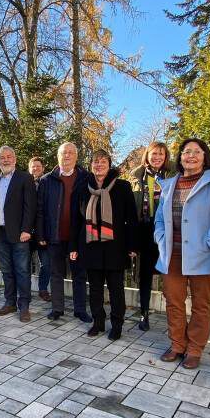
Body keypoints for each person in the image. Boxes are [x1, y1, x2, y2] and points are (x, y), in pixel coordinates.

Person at [154, 138, 210, 369]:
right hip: (173, 253)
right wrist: (160, 240)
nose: (190, 156)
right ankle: (177, 344)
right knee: (173, 301)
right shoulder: (169, 184)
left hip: (203, 253)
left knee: (201, 303)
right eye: (186, 152)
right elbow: (159, 218)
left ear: (204, 156)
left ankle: (195, 349)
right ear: (179, 158)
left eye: (196, 152)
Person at [70, 150, 138, 340]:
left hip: (115, 247)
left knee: (116, 288)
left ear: (109, 164)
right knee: (95, 288)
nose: (98, 165)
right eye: (95, 162)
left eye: (102, 162)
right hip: (90, 246)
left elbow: (132, 219)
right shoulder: (82, 187)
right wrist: (73, 247)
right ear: (91, 165)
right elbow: (76, 220)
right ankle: (98, 322)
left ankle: (117, 325)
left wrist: (132, 246)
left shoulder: (122, 187)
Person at [0, 146, 37, 322]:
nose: (6, 160)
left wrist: (27, 229)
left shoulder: (25, 178)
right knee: (6, 270)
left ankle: (24, 305)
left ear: (15, 158)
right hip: (0, 233)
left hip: (20, 234)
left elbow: (31, 207)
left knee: (21, 270)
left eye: (9, 157)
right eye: (2, 157)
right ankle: (10, 302)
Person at [36, 142, 90, 322]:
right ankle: (57, 308)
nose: (66, 156)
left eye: (70, 153)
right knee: (56, 273)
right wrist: (41, 234)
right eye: (63, 153)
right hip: (55, 236)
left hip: (78, 237)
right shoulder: (46, 180)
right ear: (57, 156)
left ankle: (80, 309)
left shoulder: (86, 178)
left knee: (79, 275)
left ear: (76, 156)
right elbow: (40, 210)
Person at [130, 141, 172, 331]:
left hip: (168, 230)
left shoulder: (173, 175)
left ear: (166, 157)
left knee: (170, 273)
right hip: (144, 229)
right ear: (147, 155)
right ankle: (144, 313)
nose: (157, 157)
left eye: (161, 154)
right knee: (145, 273)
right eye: (153, 154)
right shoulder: (136, 177)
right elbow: (130, 208)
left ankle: (173, 314)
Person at [28, 157, 51, 302]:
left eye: (38, 166)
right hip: (27, 232)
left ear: (43, 168)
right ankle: (25, 289)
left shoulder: (48, 184)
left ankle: (43, 289)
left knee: (47, 264)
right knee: (24, 264)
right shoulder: (24, 184)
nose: (35, 168)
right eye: (33, 166)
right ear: (29, 169)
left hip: (43, 231)